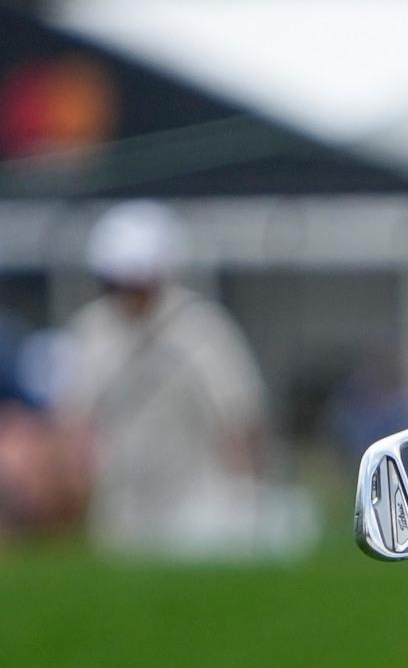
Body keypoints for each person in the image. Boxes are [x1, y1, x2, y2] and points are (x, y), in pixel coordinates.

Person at [53, 201, 271, 557]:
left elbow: (241, 417)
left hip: (200, 501)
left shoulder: (201, 329)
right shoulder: (91, 333)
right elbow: (73, 422)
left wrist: (246, 494)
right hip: (123, 505)